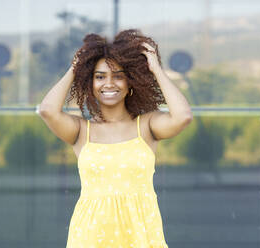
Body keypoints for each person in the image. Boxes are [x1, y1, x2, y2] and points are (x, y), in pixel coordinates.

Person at [39, 28, 193, 247]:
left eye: (118, 76)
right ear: (90, 84)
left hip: (140, 236)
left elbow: (183, 116)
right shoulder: (82, 131)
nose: (109, 83)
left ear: (131, 83)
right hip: (91, 237)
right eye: (99, 77)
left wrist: (156, 69)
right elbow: (47, 111)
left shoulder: (147, 126)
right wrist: (75, 67)